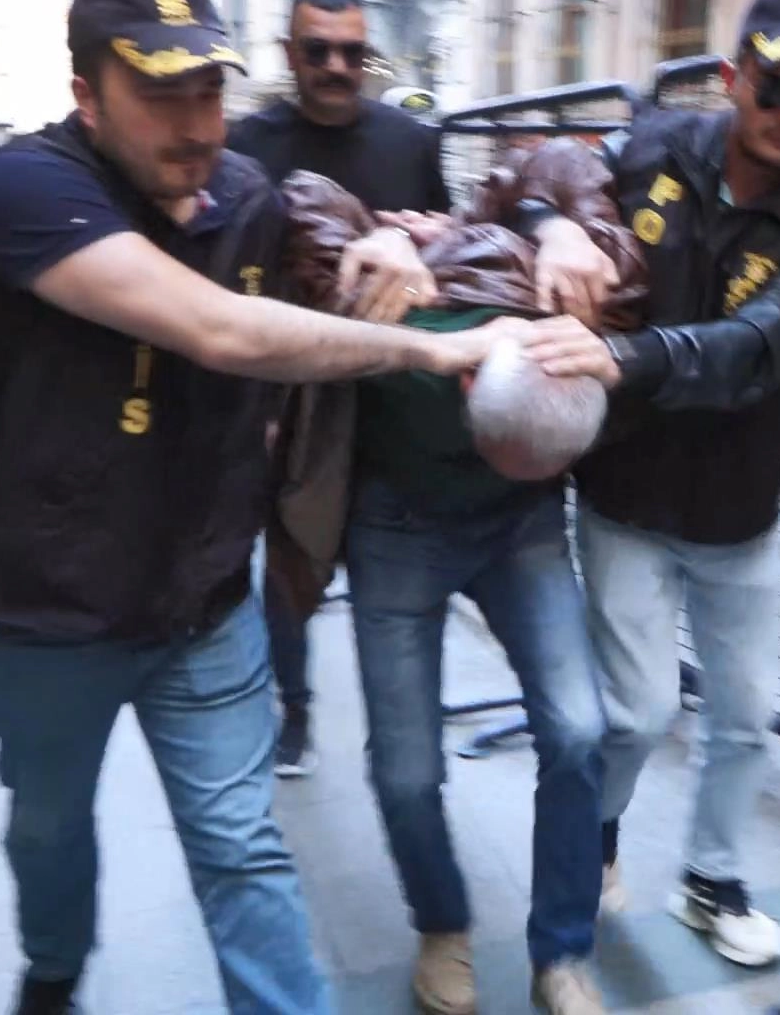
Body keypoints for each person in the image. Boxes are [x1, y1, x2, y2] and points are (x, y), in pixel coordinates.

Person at [0, 0, 520, 1015]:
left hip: (200, 600)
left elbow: (333, 234)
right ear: (86, 97)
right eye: (160, 93)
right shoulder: (20, 190)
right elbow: (218, 329)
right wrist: (430, 352)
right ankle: (53, 969)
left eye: (209, 89)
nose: (196, 123)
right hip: (43, 610)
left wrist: (385, 236)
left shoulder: (246, 196)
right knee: (48, 826)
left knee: (242, 847)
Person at [512, 0, 780, 968]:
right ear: (733, 76)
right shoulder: (655, 144)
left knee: (747, 717)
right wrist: (552, 225)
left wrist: (624, 358)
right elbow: (543, 171)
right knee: (634, 714)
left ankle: (713, 881)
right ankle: (596, 839)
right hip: (625, 496)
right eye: (777, 87)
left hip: (737, 514)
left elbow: (759, 347)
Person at [272, 142, 641, 1015]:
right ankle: (441, 925)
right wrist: (380, 239)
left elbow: (559, 161)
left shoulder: (553, 302)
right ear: (471, 383)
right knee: (405, 768)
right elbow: (297, 194)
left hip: (520, 530)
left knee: (579, 728)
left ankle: (563, 952)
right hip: (396, 528)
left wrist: (564, 231)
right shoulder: (395, 296)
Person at [228, 0, 450, 778]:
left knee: (393, 565)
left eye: (352, 52)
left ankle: (402, 737)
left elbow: (441, 248)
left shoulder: (409, 142)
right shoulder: (246, 146)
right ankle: (293, 709)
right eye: (318, 50)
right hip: (289, 389)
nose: (336, 66)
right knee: (290, 555)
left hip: (390, 389)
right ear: (289, 53)